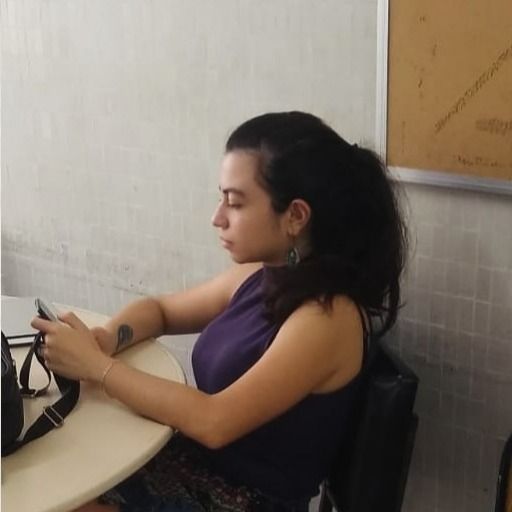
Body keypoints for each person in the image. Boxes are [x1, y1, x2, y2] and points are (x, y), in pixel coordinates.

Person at [32, 111, 407, 512]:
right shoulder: (261, 275)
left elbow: (214, 422)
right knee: (56, 475)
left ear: (295, 216)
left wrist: (96, 367)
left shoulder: (327, 318)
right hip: (191, 465)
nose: (217, 217)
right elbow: (160, 311)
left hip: (249, 501)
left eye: (235, 202)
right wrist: (107, 339)